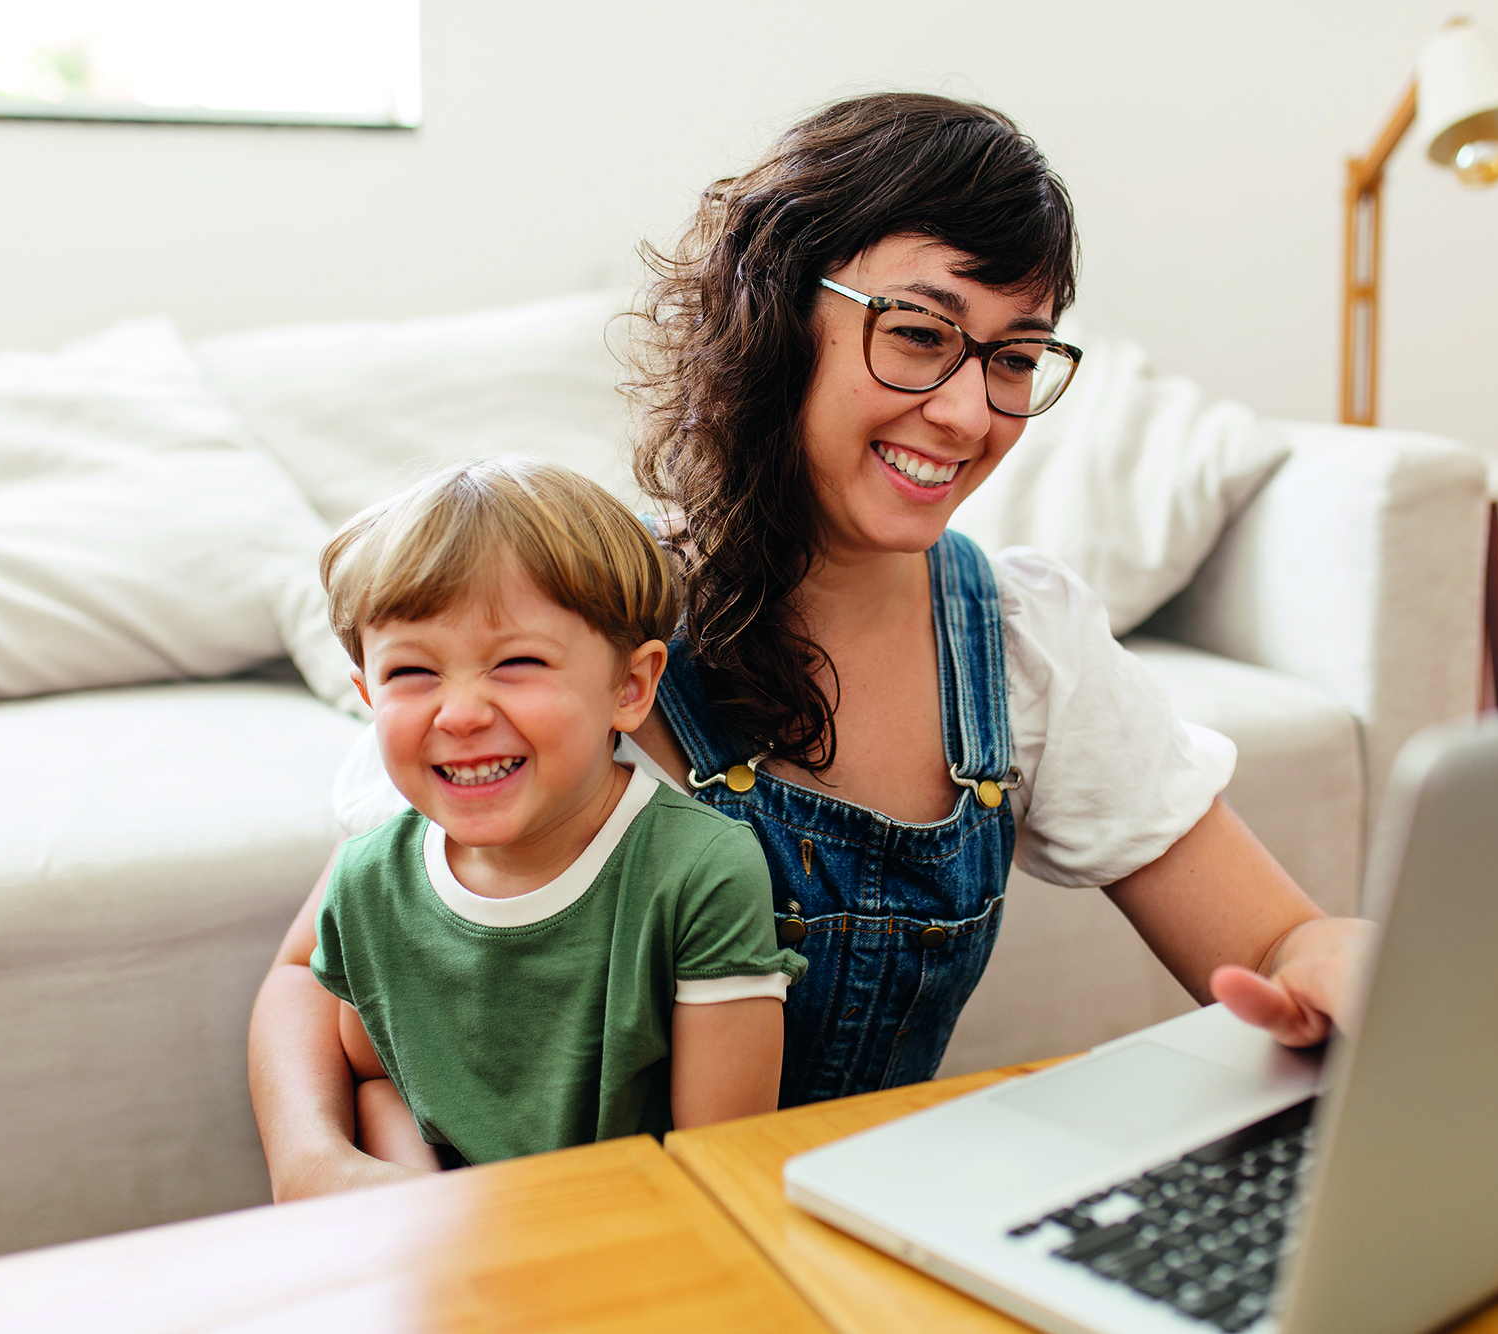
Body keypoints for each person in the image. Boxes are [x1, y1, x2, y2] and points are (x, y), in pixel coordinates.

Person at [249, 92, 1371, 1199]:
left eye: (1013, 358)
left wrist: (1334, 962)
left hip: (836, 1239)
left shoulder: (1021, 641)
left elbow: (1275, 941)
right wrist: (316, 1163)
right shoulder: (579, 607)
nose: (970, 414)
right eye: (920, 335)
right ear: (776, 312)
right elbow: (319, 962)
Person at [295, 457, 806, 1173]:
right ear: (367, 694)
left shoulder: (699, 872)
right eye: (412, 672)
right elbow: (377, 1077)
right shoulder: (365, 880)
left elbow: (722, 1161)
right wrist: (419, 1207)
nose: (463, 713)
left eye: (518, 663)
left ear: (630, 686)